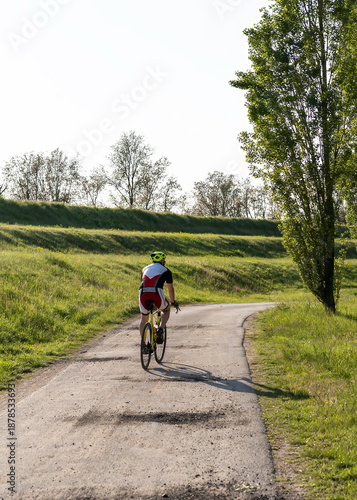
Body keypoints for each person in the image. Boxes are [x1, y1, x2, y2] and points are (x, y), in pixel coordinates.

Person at [139, 251, 179, 343]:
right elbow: (170, 288)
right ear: (162, 261)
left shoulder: (144, 269)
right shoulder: (166, 270)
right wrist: (173, 302)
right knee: (166, 310)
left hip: (142, 292)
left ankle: (143, 344)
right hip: (156, 292)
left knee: (144, 319)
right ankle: (160, 329)